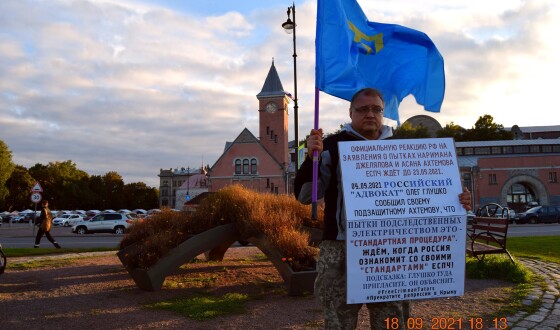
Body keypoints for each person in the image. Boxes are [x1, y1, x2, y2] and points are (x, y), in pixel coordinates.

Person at [294, 87, 472, 329]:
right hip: (341, 248)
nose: (370, 114)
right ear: (351, 112)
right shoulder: (331, 146)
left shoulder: (403, 148)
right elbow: (306, 196)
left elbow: (427, 194)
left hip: (392, 250)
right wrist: (310, 159)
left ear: (382, 112)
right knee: (338, 321)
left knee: (392, 321)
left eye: (376, 109)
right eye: (363, 109)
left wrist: (457, 200)